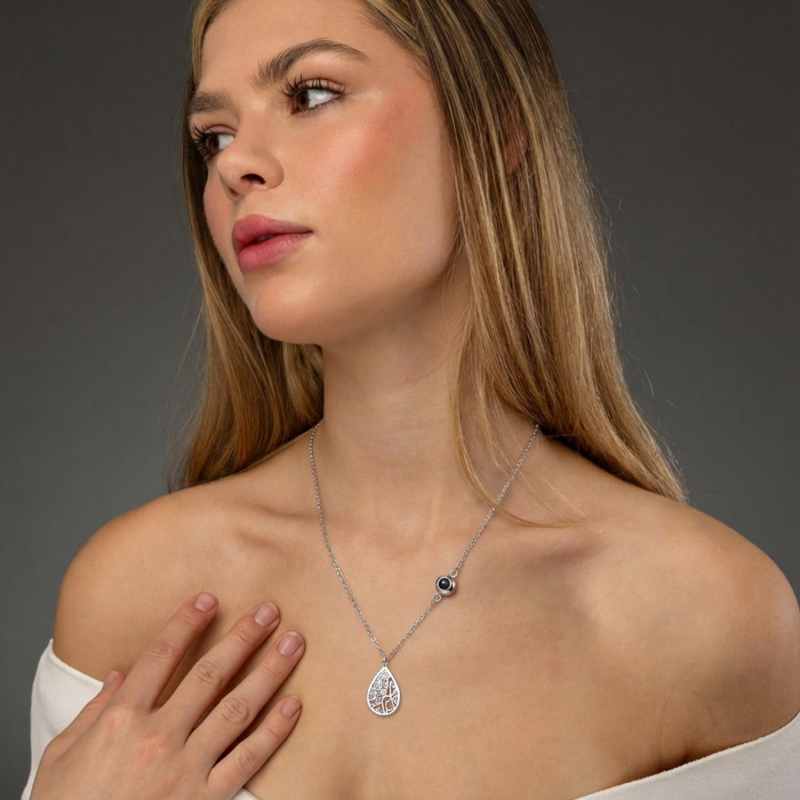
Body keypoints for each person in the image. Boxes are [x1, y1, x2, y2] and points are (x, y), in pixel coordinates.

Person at [22, 0, 800, 797]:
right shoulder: (136, 596)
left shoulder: (707, 620)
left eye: (310, 94)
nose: (233, 166)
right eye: (213, 136)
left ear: (494, 128)